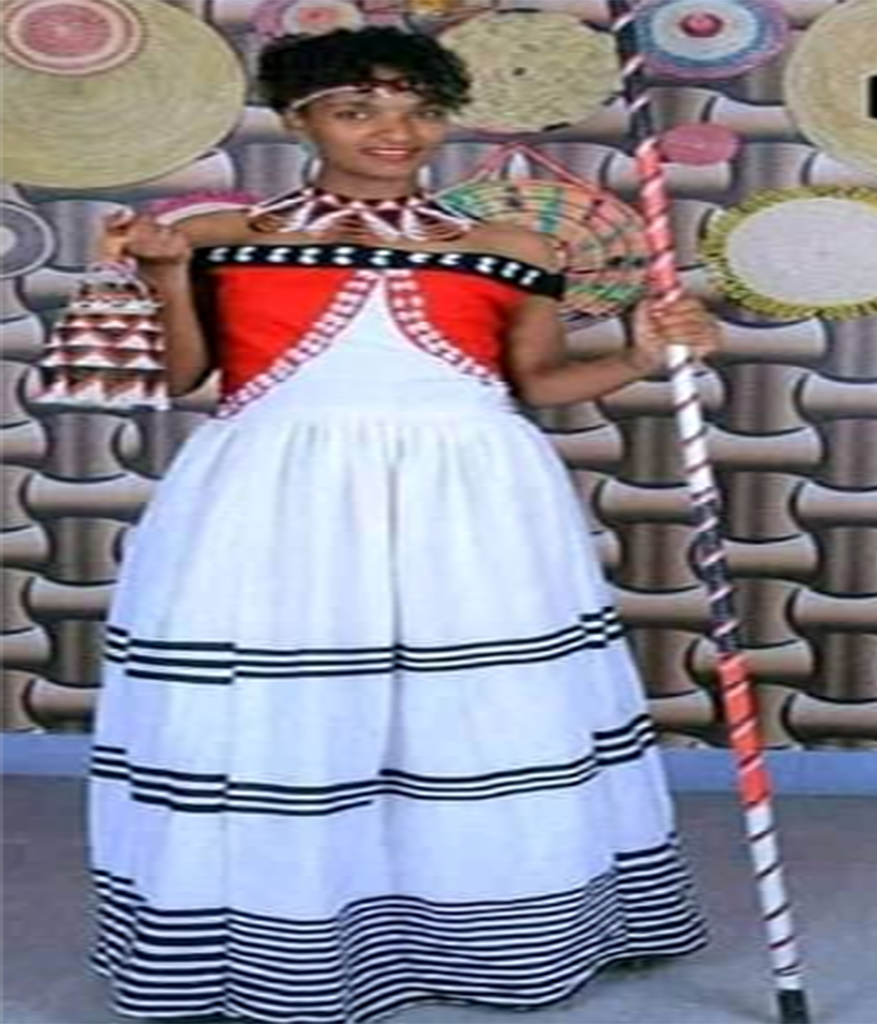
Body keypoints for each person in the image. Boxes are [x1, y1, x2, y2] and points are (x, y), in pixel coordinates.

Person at [87, 25, 721, 1024]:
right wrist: (164, 274)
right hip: (277, 491)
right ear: (297, 119)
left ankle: (485, 930)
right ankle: (296, 936)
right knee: (293, 705)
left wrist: (643, 355)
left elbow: (539, 381)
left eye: (420, 110)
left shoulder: (514, 246)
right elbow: (178, 377)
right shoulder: (217, 233)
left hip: (470, 495)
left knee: (475, 705)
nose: (395, 131)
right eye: (357, 109)